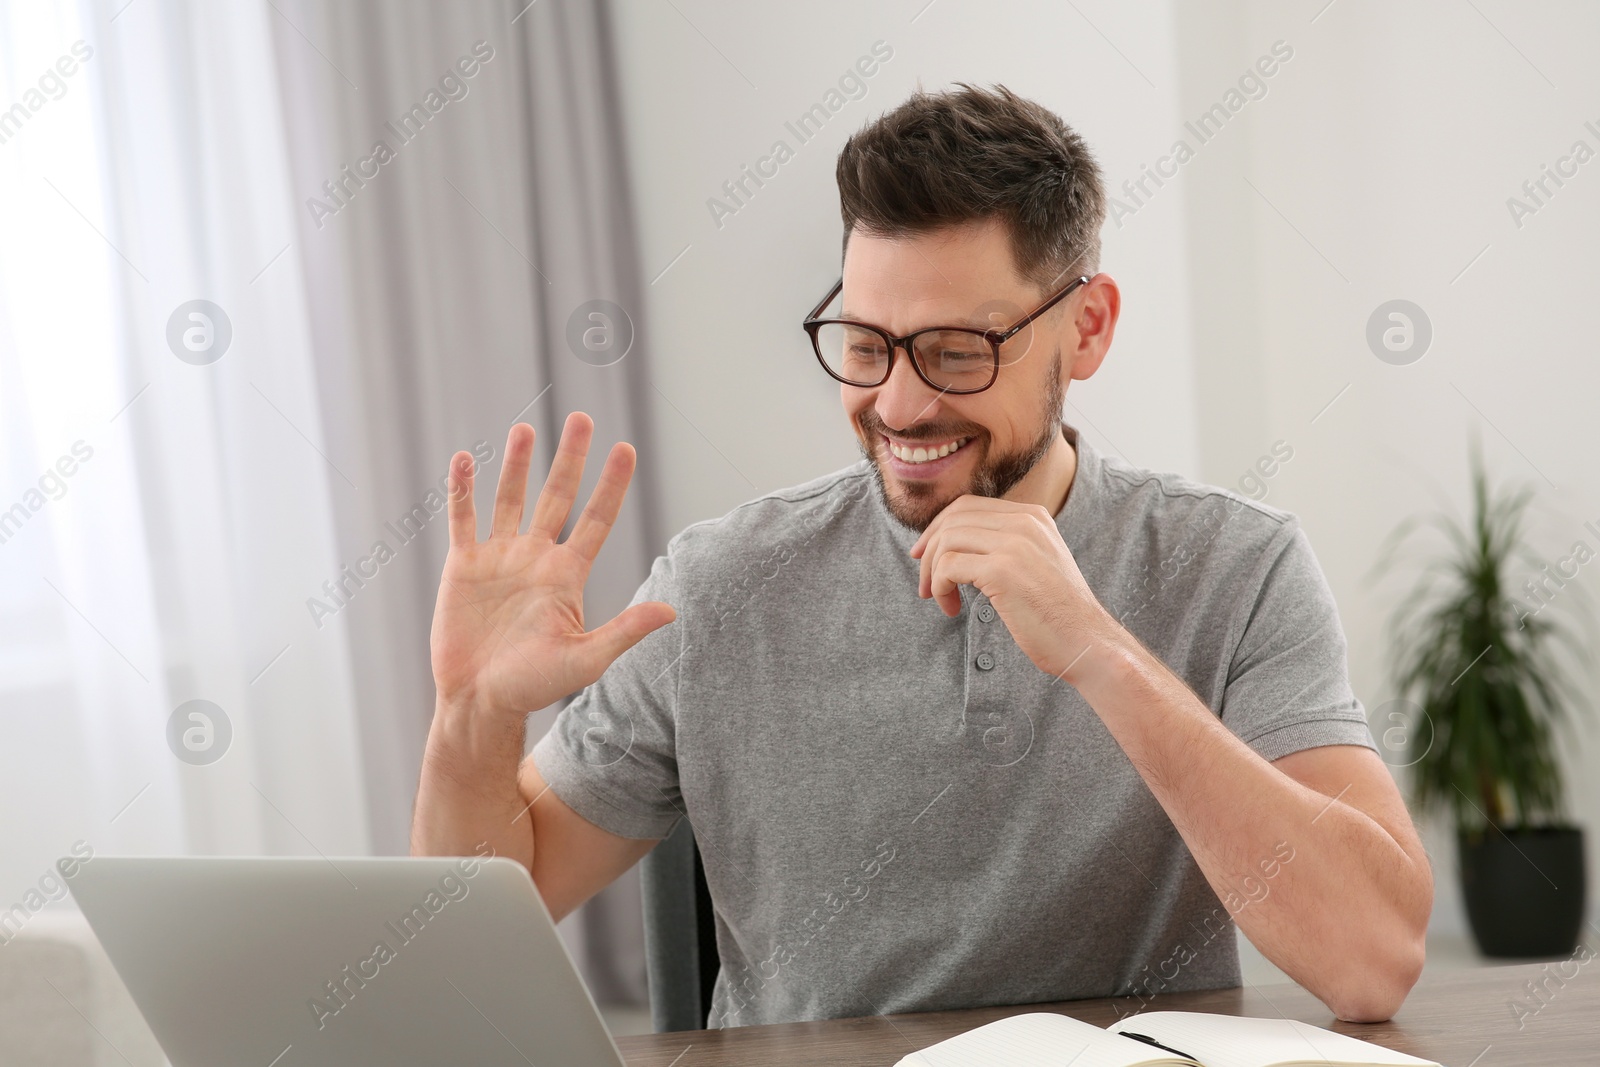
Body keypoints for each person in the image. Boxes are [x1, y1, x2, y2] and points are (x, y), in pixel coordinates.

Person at [411, 83, 1431, 1029]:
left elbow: (1371, 958)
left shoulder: (1236, 566)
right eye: (864, 344)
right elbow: (466, 934)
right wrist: (473, 715)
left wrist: (1096, 651)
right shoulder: (718, 584)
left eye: (956, 352)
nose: (898, 406)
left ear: (1087, 326)